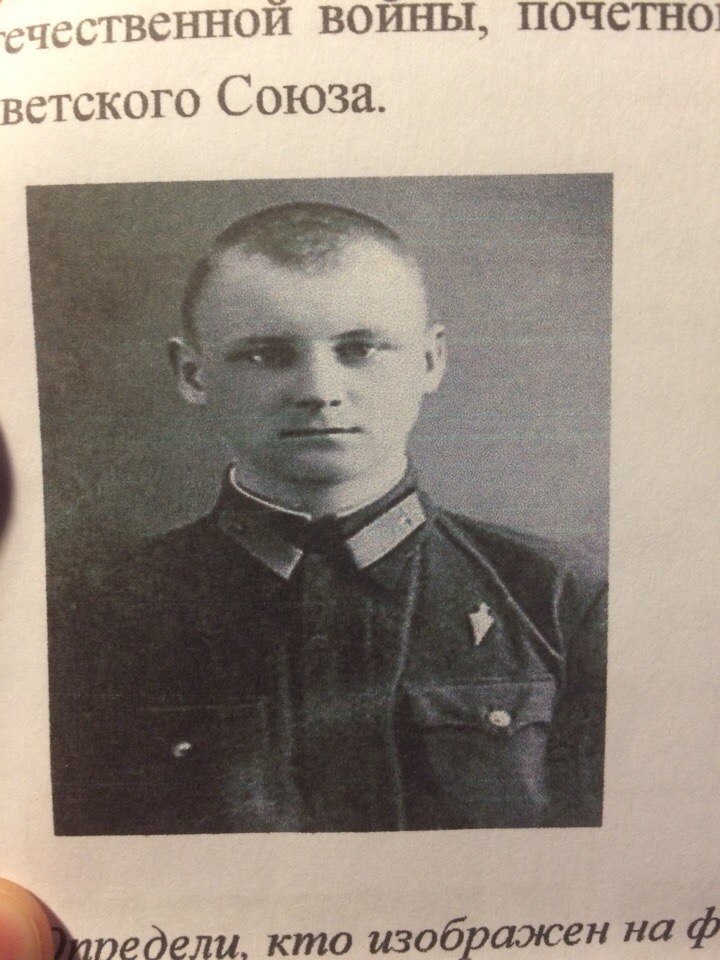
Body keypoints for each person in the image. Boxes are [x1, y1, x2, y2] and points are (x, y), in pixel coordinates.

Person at [50, 202, 607, 835]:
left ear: (430, 361)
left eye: (360, 349)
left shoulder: (560, 602)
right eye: (266, 356)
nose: (319, 390)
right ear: (193, 374)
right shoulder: (90, 618)